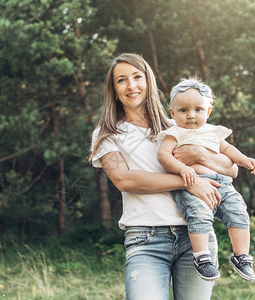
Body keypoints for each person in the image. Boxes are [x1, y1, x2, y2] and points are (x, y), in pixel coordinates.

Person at [90, 53, 238, 300]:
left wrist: (200, 153)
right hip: (146, 240)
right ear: (114, 90)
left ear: (149, 81)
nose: (131, 85)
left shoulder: (178, 125)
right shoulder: (107, 134)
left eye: (137, 77)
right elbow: (125, 180)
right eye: (122, 80)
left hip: (195, 237)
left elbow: (231, 169)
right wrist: (190, 182)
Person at [157, 78, 255, 282]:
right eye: (183, 110)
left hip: (223, 183)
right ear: (172, 113)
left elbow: (228, 150)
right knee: (199, 214)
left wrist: (244, 159)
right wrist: (182, 168)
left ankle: (241, 256)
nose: (191, 115)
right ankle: (202, 256)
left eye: (198, 109)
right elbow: (164, 156)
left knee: (238, 210)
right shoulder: (175, 132)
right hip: (192, 184)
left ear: (208, 111)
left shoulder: (213, 132)